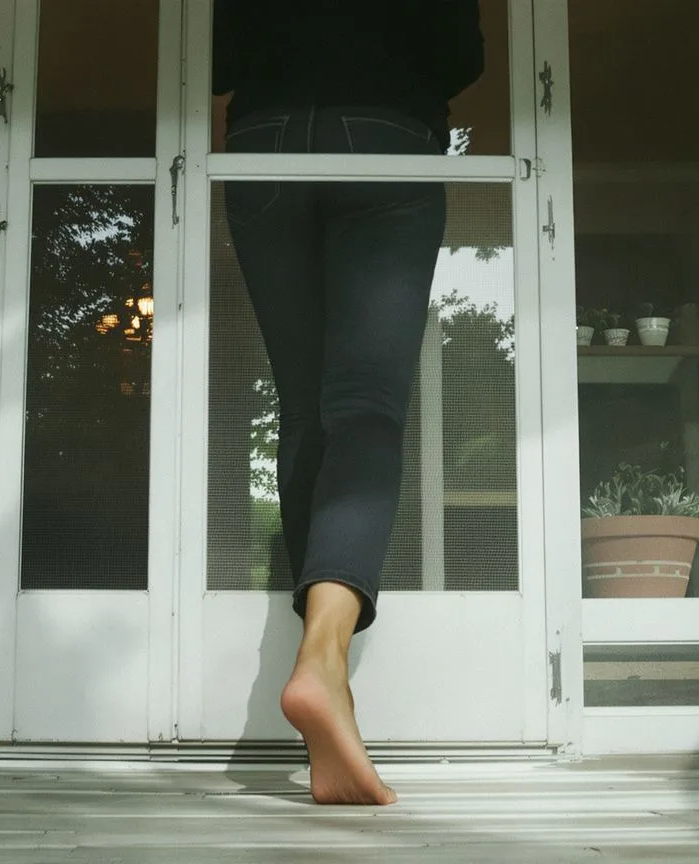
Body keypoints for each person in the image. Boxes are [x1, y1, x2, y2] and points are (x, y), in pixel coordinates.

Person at [213, 0, 485, 806]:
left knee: (305, 412)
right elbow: (459, 55)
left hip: (264, 140)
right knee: (364, 409)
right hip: (383, 133)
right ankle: (323, 662)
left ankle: (331, 691)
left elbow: (217, 55)